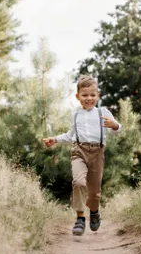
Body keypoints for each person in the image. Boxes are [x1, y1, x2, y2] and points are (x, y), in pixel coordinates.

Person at [43, 75, 121, 236]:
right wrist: (55, 139)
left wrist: (115, 125)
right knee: (78, 182)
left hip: (97, 152)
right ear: (78, 97)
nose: (89, 98)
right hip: (79, 151)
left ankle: (94, 211)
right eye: (85, 95)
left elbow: (117, 129)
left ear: (97, 95)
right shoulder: (76, 115)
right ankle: (80, 218)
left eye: (93, 95)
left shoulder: (103, 112)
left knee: (94, 191)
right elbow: (71, 135)